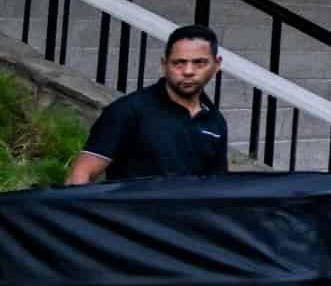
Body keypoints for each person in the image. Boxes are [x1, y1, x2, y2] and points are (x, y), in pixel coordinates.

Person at [68, 24, 230, 182]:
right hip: (132, 209)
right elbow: (81, 174)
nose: (188, 71)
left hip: (191, 210)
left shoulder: (215, 122)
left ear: (217, 65)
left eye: (199, 62)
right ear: (164, 64)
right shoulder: (128, 110)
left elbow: (217, 187)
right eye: (178, 63)